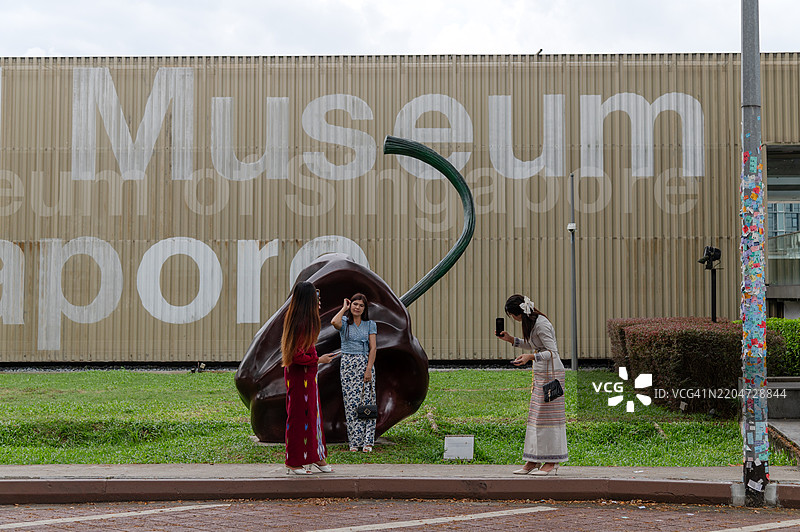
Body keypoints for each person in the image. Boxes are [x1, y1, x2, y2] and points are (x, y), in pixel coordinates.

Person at [496, 294, 568, 476]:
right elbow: (534, 344)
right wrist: (511, 339)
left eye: (512, 315)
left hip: (552, 376)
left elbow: (552, 352)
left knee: (549, 419)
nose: (513, 318)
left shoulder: (542, 324)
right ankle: (533, 460)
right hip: (541, 374)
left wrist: (531, 357)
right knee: (536, 418)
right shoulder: (532, 323)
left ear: (518, 313)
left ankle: (552, 461)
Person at [281, 281, 337, 475]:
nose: (319, 300)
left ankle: (316, 456)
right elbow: (296, 356)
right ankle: (294, 461)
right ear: (308, 300)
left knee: (312, 416)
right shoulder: (302, 323)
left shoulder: (302, 320)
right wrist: (319, 360)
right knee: (300, 418)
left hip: (306, 377)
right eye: (316, 296)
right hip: (300, 378)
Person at [331, 293, 378, 452]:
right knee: (351, 403)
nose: (357, 307)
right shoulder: (345, 322)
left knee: (367, 401)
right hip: (348, 365)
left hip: (364, 363)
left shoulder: (370, 324)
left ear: (365, 308)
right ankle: (354, 441)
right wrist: (343, 308)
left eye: (361, 305)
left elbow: (373, 348)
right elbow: (334, 322)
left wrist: (369, 369)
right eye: (355, 304)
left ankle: (368, 441)